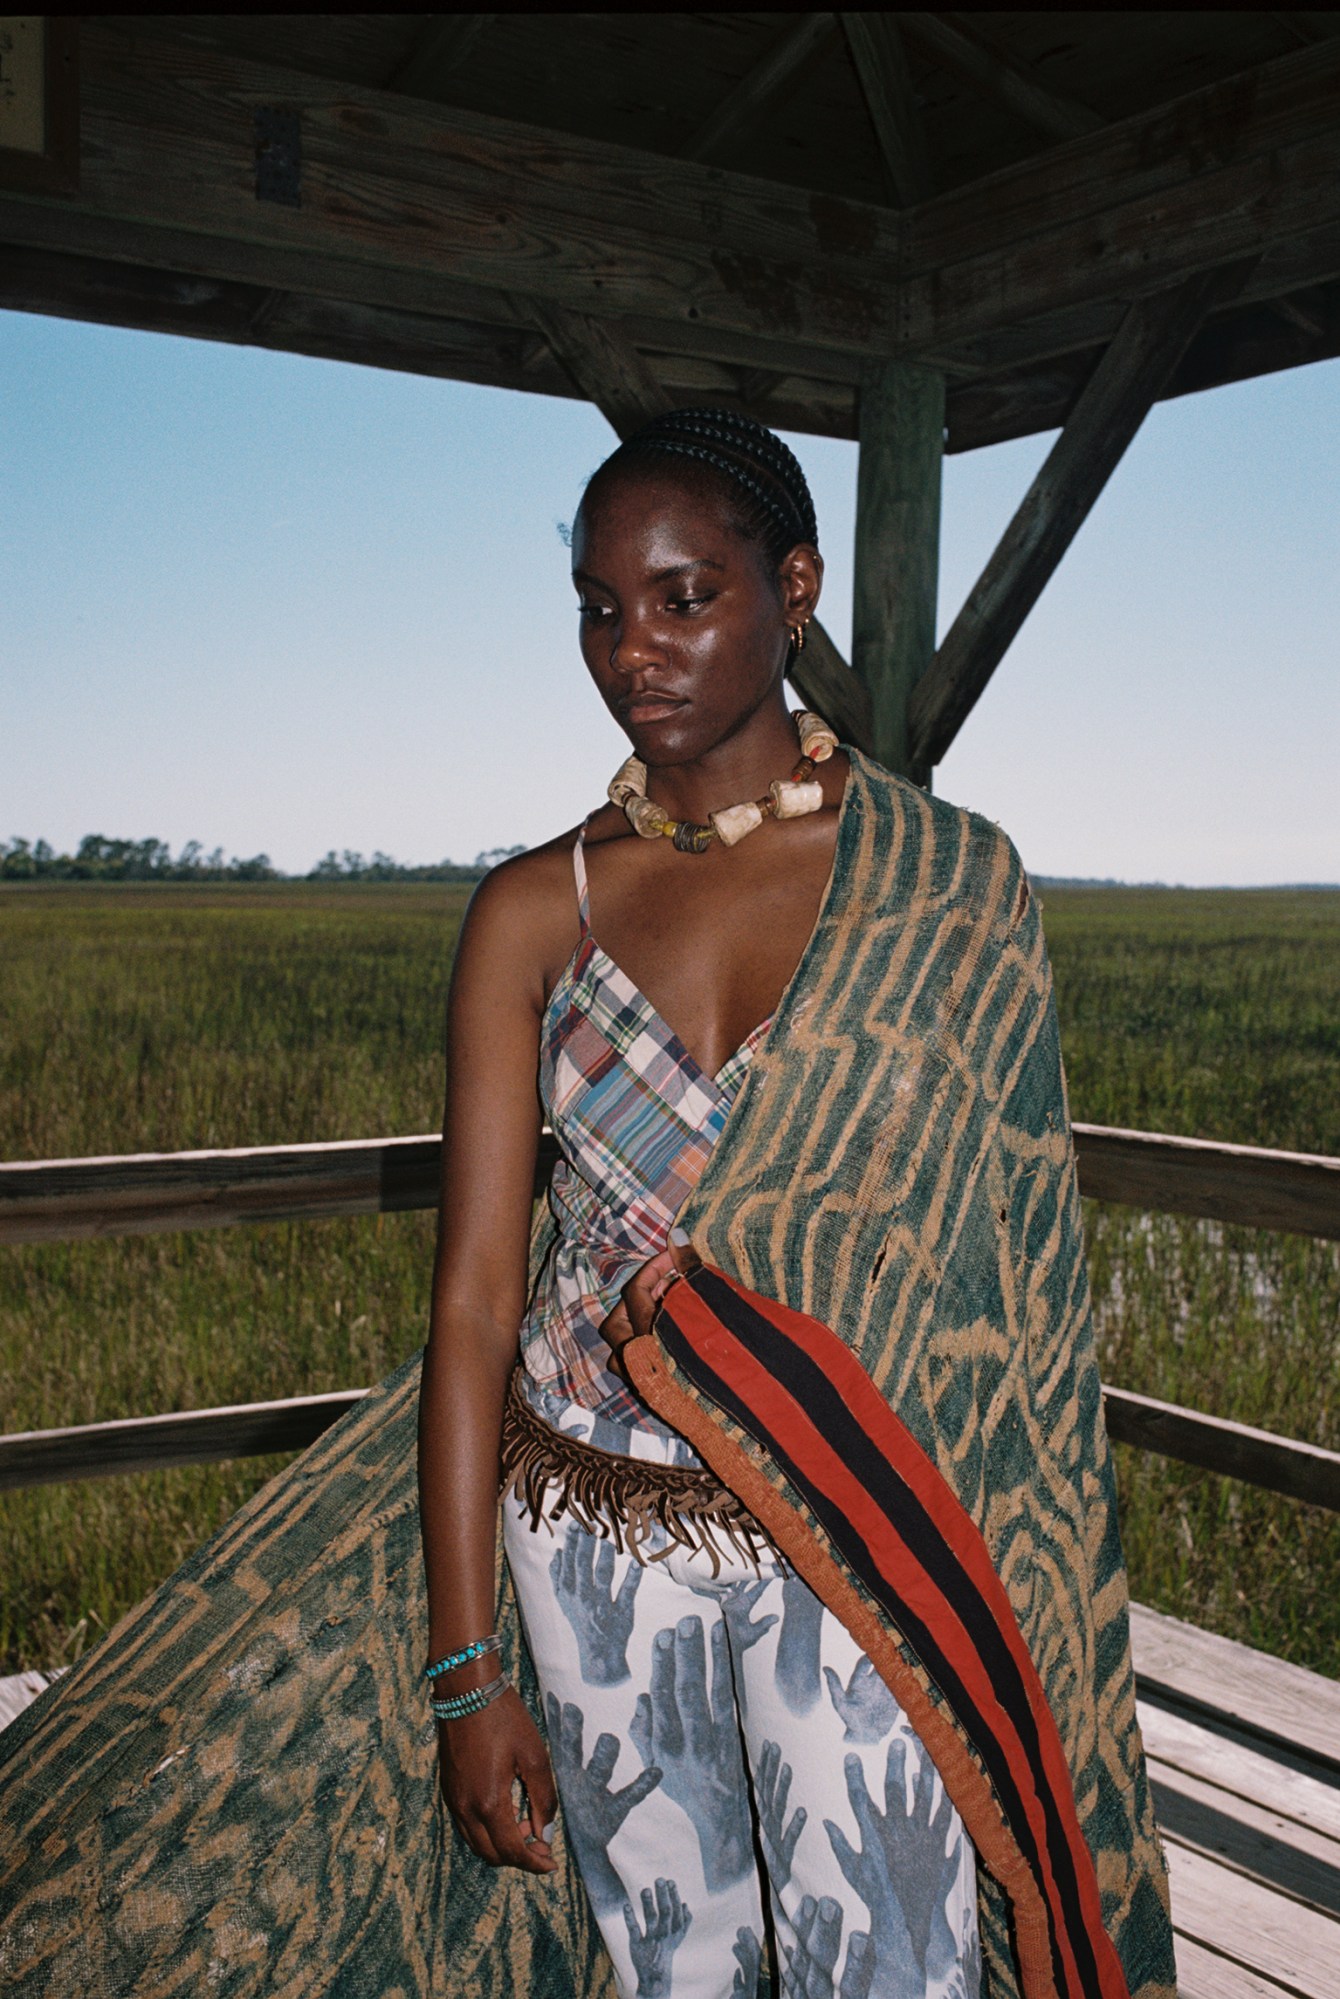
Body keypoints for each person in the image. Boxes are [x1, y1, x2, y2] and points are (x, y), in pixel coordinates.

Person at [418, 409, 1177, 1999]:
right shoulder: (528, 911)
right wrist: (466, 1668)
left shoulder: (948, 887)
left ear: (798, 586)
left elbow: (1009, 1282)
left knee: (889, 1961)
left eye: (685, 597)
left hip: (859, 1528)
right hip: (590, 1542)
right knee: (669, 1963)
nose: (637, 649)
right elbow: (479, 1303)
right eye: (600, 608)